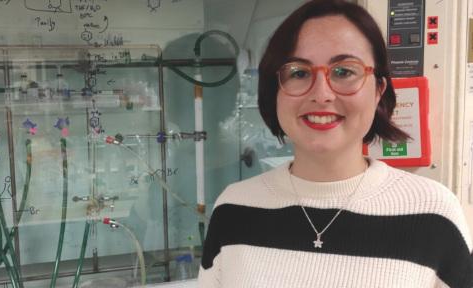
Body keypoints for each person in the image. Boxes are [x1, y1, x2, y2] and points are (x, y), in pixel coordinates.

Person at [198, 1, 473, 287]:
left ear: (379, 90)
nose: (321, 94)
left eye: (344, 71)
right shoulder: (234, 209)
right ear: (274, 90)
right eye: (298, 73)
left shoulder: (433, 213)